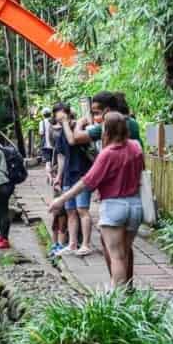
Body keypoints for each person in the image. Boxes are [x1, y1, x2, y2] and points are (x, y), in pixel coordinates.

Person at [50, 112, 143, 287]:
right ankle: (125, 294)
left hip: (114, 206)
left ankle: (118, 296)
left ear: (106, 130)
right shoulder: (136, 146)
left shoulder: (107, 153)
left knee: (116, 256)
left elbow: (87, 181)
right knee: (125, 252)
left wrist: (61, 199)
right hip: (136, 206)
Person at [52, 102, 93, 256]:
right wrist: (59, 176)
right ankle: (72, 244)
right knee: (70, 211)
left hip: (82, 173)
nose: (58, 116)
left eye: (61, 113)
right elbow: (61, 156)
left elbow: (72, 141)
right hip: (69, 175)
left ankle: (86, 244)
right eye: (57, 114)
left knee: (82, 209)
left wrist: (65, 123)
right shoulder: (61, 131)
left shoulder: (79, 126)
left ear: (68, 113)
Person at [72, 91, 142, 148]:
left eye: (97, 113)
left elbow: (77, 137)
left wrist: (79, 123)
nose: (95, 118)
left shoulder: (110, 126)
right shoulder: (132, 122)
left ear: (107, 111)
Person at [39, 107, 56, 185]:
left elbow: (41, 133)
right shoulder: (53, 121)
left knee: (47, 162)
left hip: (45, 145)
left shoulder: (41, 122)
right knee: (54, 161)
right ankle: (54, 176)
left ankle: (49, 177)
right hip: (54, 144)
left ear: (43, 115)